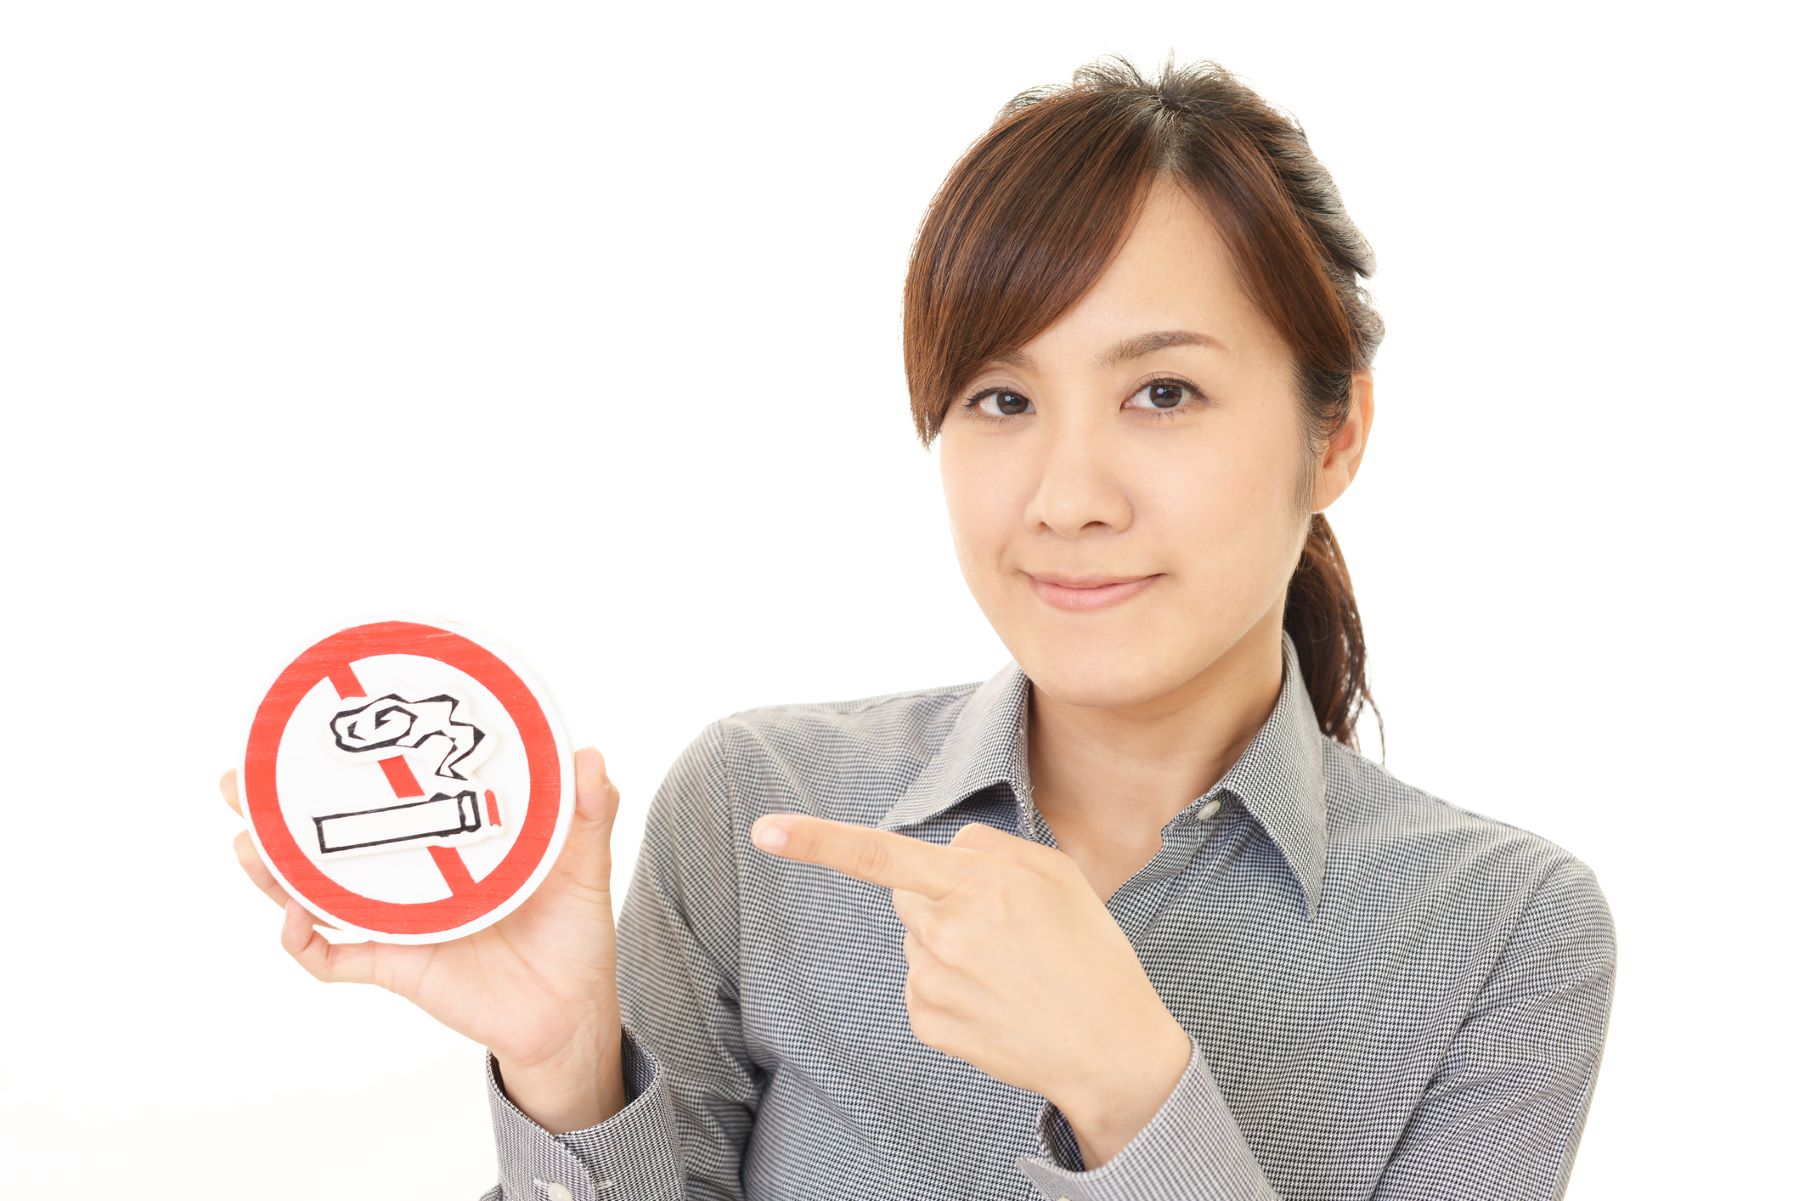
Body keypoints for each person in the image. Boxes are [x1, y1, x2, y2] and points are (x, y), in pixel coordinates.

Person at [220, 52, 1617, 1201]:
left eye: (1166, 393)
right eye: (1001, 400)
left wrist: (1135, 1093)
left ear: (1337, 434)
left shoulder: (1503, 934)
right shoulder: (757, 816)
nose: (1068, 496)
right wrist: (573, 1068)